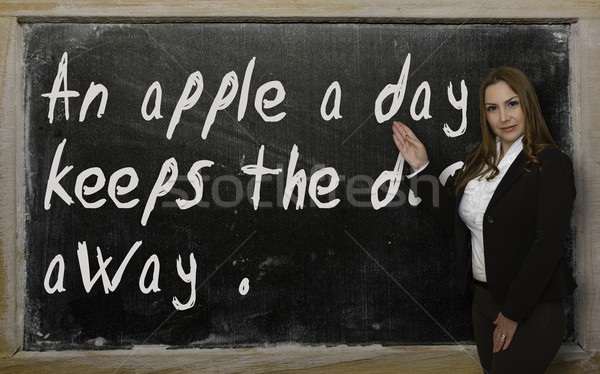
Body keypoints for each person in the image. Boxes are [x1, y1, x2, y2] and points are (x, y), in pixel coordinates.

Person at [391, 66, 576, 374]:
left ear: (528, 104)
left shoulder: (552, 164)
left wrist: (512, 313)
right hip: (483, 301)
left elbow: (548, 245)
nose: (504, 117)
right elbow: (458, 223)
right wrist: (422, 169)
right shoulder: (479, 162)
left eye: (512, 104)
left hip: (530, 306)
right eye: (493, 108)